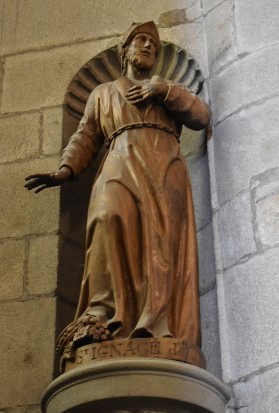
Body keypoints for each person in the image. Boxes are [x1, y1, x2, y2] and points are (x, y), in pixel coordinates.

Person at [25, 21, 211, 363]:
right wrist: (65, 170)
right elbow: (84, 136)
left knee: (160, 244)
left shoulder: (166, 90)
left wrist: (163, 92)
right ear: (125, 50)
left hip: (163, 166)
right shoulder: (103, 92)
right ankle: (104, 315)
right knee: (106, 219)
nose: (147, 47)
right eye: (140, 41)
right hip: (118, 162)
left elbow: (201, 116)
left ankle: (156, 325)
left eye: (153, 45)